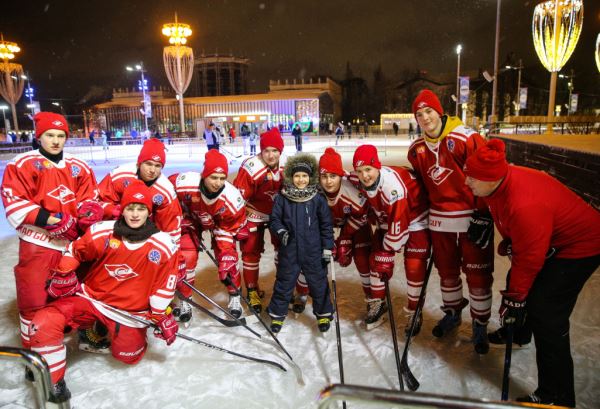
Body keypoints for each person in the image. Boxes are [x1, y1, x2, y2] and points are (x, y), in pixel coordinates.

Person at [463, 139, 600, 407]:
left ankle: (557, 396)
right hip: (549, 240)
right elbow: (520, 242)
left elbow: (529, 258)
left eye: (472, 177)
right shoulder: (496, 185)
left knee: (546, 312)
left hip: (581, 246)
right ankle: (520, 333)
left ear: (492, 179)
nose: (467, 182)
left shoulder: (524, 203)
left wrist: (515, 300)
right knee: (520, 286)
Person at [29, 181, 179, 402]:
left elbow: (165, 285)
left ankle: (110, 331)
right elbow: (75, 251)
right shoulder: (103, 231)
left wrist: (159, 315)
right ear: (123, 208)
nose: (135, 214)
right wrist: (64, 271)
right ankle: (54, 382)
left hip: (129, 312)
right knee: (44, 321)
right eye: (130, 208)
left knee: (128, 357)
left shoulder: (165, 244)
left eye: (141, 209)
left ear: (149, 211)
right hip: (92, 300)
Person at [1, 112, 100, 352]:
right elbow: (15, 200)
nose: (55, 141)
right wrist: (51, 220)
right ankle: (34, 349)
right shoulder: (22, 164)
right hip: (39, 243)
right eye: (49, 135)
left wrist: (89, 213)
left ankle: (85, 334)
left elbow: (91, 197)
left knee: (82, 289)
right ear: (39, 137)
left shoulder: (79, 166)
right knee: (34, 298)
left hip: (73, 244)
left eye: (60, 135)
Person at [407, 89, 493, 354]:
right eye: (419, 114)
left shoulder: (466, 138)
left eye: (429, 111)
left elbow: (489, 176)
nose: (425, 118)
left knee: (477, 275)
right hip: (440, 223)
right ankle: (453, 313)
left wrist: (483, 213)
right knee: (448, 274)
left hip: (470, 220)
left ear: (440, 111)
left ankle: (479, 323)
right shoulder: (417, 150)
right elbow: (420, 187)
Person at [353, 145, 431, 332]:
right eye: (359, 171)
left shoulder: (393, 188)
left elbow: (399, 225)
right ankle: (379, 303)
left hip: (416, 217)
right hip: (388, 218)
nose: (365, 176)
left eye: (368, 170)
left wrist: (387, 252)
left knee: (414, 267)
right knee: (376, 263)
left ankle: (414, 311)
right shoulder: (361, 182)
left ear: (377, 167)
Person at [170, 150, 248, 318]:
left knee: (228, 260)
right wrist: (180, 215)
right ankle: (185, 298)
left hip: (219, 224)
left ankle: (235, 297)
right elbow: (167, 196)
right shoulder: (184, 183)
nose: (218, 183)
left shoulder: (233, 198)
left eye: (222, 178)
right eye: (213, 177)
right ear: (204, 174)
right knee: (186, 258)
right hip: (191, 220)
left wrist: (227, 251)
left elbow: (227, 228)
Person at [295, 147, 371, 318]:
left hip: (352, 223)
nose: (328, 181)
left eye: (333, 176)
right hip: (324, 227)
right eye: (324, 176)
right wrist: (327, 243)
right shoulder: (313, 191)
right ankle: (301, 293)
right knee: (308, 255)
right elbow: (309, 222)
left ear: (341, 175)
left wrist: (344, 239)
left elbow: (362, 216)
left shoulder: (350, 189)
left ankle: (372, 297)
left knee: (362, 257)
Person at [267, 153, 334, 333]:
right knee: (284, 282)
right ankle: (277, 315)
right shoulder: (282, 198)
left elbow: (326, 225)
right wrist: (281, 231)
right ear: (291, 176)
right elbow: (274, 220)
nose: (301, 179)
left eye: (304, 176)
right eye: (297, 176)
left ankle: (324, 314)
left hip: (313, 250)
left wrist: (328, 247)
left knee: (319, 284)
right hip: (290, 249)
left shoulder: (318, 199)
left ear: (310, 177)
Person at [233, 128, 287, 313]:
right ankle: (251, 289)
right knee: (250, 250)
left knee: (284, 249)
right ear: (260, 151)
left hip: (278, 213)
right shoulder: (251, 167)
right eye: (266, 151)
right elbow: (238, 199)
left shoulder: (288, 166)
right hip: (253, 211)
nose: (270, 155)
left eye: (275, 150)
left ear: (281, 150)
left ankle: (282, 288)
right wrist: (239, 222)